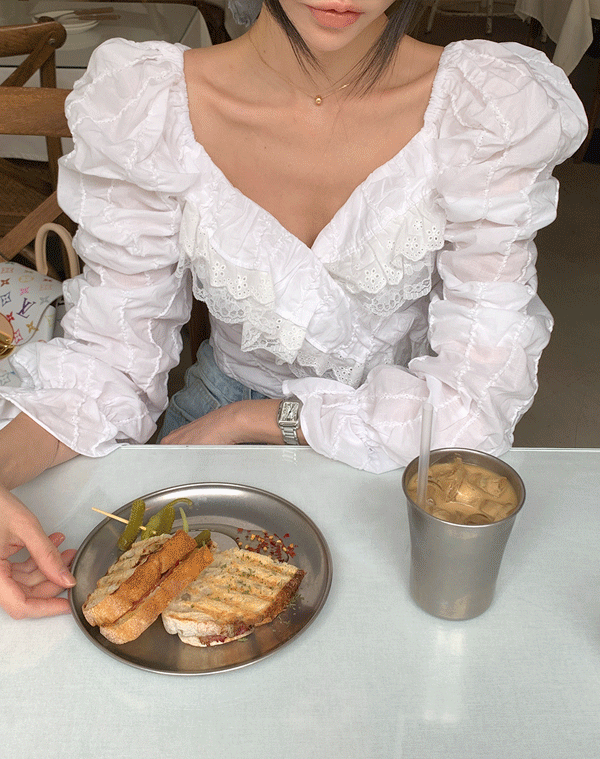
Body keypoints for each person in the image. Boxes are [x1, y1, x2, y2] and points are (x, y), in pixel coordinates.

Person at [0, 0, 587, 620]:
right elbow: (109, 358)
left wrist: (254, 420)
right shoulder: (148, 106)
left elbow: (475, 393)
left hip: (406, 446)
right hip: (212, 423)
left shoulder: (485, 109)